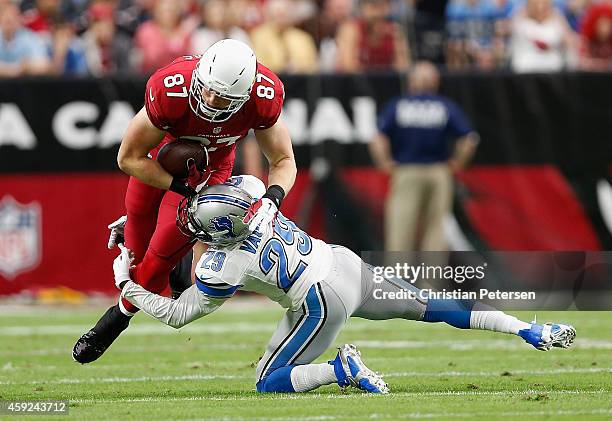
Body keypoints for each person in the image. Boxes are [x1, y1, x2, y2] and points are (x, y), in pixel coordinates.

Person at [111, 178, 576, 394]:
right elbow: (213, 203)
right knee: (437, 308)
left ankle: (341, 371)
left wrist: (125, 284)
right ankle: (527, 328)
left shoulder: (223, 263)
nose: (195, 229)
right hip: (342, 263)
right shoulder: (254, 192)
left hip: (320, 300)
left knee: (268, 381)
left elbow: (176, 314)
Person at [72, 39, 297, 364]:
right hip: (159, 161)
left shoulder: (263, 97)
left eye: (220, 96)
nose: (208, 98)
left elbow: (283, 160)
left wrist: (273, 199)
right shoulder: (172, 88)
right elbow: (128, 158)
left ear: (244, 95)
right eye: (206, 88)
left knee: (157, 259)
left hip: (213, 169)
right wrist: (178, 188)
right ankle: (176, 260)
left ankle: (116, 318)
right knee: (136, 247)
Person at [369, 61, 479, 252]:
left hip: (407, 171)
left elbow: (378, 138)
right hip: (438, 172)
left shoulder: (400, 105)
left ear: (412, 80)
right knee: (436, 230)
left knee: (401, 228)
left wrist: (385, 163)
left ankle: (397, 279)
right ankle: (430, 281)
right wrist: (458, 162)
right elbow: (469, 139)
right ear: (435, 82)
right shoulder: (444, 106)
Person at [335, 0, 411, 72]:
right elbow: (348, 66)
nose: (378, 13)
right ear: (363, 8)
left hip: (386, 82)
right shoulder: (351, 29)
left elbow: (403, 67)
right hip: (355, 84)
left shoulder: (395, 31)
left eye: (383, 5)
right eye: (374, 5)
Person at [250, 0, 319, 74]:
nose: (281, 19)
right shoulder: (258, 36)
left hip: (300, 82)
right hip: (271, 81)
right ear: (270, 15)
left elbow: (314, 66)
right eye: (278, 15)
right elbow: (257, 64)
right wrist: (280, 68)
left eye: (284, 15)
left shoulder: (303, 38)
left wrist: (298, 68)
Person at [510, 0, 576, 73]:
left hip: (553, 71)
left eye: (544, 3)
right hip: (525, 71)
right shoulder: (519, 18)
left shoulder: (558, 18)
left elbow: (570, 41)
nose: (540, 7)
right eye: (536, 4)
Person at [0, 2, 50, 77]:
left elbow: (44, 65)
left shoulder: (30, 37)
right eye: (6, 18)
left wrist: (27, 67)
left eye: (13, 17)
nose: (10, 20)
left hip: (24, 85)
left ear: (20, 18)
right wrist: (14, 70)